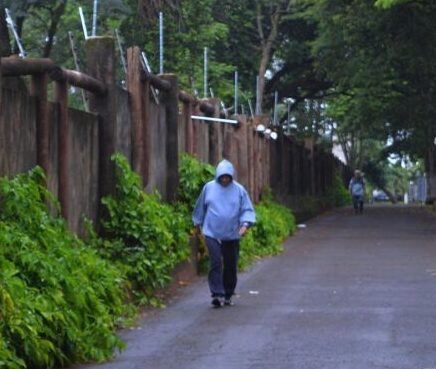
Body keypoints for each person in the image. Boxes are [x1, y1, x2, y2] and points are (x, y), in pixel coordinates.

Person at [192, 159, 256, 308]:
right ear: (218, 176)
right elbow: (200, 206)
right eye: (222, 176)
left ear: (231, 176)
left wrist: (245, 224)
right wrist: (197, 222)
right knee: (215, 262)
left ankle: (228, 293)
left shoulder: (239, 190)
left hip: (232, 234)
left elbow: (247, 209)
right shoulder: (209, 188)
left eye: (227, 177)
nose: (225, 179)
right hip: (212, 232)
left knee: (230, 264)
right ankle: (217, 293)